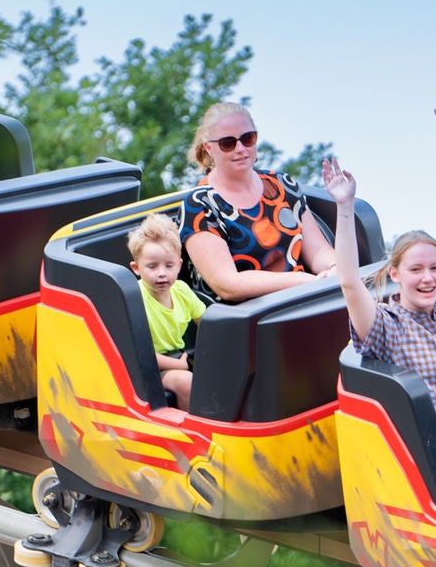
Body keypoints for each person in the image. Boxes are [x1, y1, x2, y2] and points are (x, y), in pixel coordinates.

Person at [323, 109, 436, 496]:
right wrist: (344, 206)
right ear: (395, 274)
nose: (428, 278)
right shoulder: (387, 326)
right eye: (416, 270)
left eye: (435, 268)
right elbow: (348, 281)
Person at [179, 101, 336, 303]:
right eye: (228, 143)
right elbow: (227, 285)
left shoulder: (283, 184)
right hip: (245, 319)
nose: (240, 148)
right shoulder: (200, 204)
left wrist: (333, 268)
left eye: (247, 139)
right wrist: (302, 282)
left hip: (305, 301)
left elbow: (318, 250)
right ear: (209, 148)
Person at [125, 212, 200, 408]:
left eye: (169, 265)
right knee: (186, 382)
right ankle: (189, 434)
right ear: (136, 268)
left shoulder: (182, 290)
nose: (161, 273)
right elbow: (136, 353)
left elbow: (208, 324)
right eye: (152, 266)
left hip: (179, 357)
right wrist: (179, 365)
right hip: (147, 370)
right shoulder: (134, 299)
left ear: (179, 265)